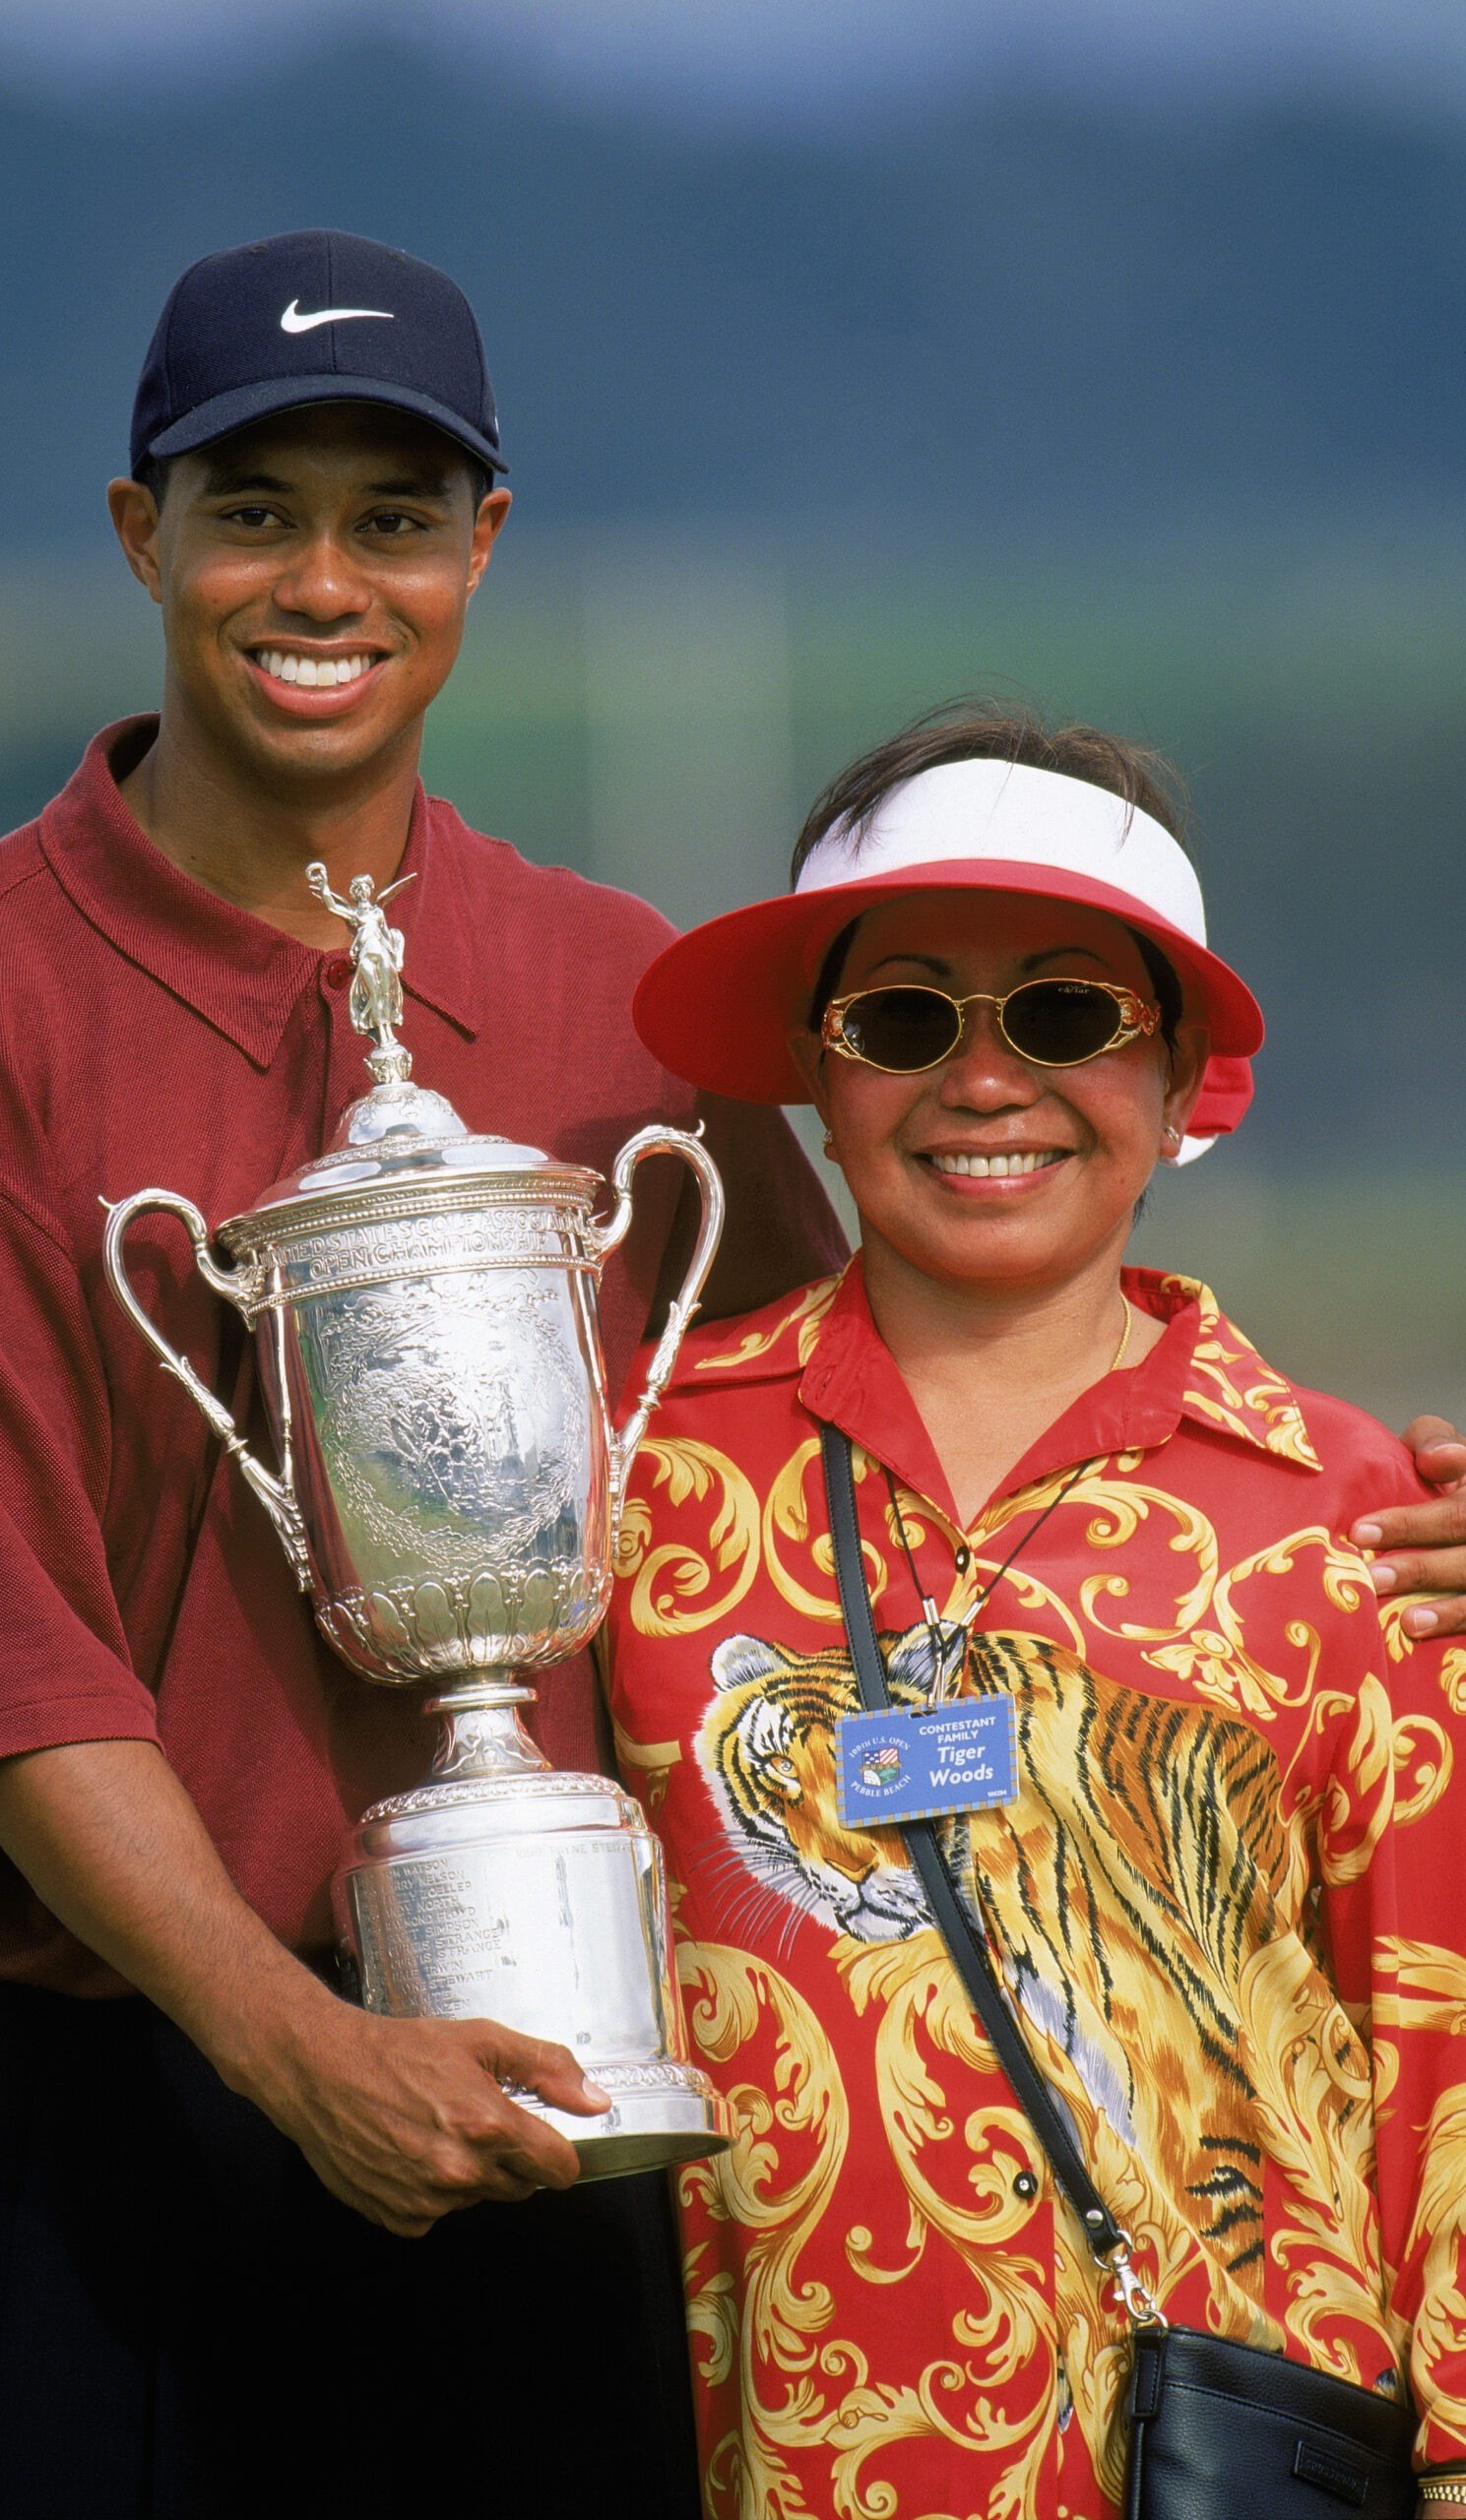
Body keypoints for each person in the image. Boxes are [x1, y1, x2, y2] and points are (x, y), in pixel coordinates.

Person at [0, 229, 849, 2520]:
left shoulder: (625, 1002)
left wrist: (1352, 1523)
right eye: (252, 505)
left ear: (482, 544)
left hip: (585, 2114)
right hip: (121, 2161)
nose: (320, 577)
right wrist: (301, 2052)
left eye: (391, 512)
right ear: (136, 529)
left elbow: (851, 1488)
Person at [605, 705, 1466, 2520]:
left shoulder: (1358, 1519)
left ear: (1174, 1083)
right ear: (814, 1082)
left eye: (1066, 1015)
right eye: (903, 1019)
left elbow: (1441, 2075)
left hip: (1238, 2469)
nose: (983, 1081)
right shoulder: (631, 1486)